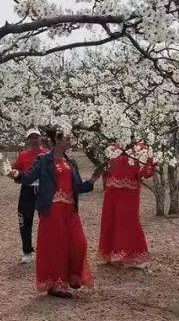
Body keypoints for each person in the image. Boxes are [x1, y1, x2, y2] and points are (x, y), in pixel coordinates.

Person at [18, 130, 101, 298]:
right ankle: (56, 285)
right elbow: (28, 178)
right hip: (52, 209)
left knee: (79, 243)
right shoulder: (43, 160)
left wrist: (92, 181)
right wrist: (16, 174)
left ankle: (72, 276)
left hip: (70, 210)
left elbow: (77, 187)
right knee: (57, 246)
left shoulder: (71, 162)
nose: (70, 141)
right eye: (67, 138)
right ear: (57, 139)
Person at [98, 143, 156, 268]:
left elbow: (147, 173)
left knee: (128, 221)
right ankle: (111, 253)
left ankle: (131, 255)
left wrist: (150, 161)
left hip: (129, 192)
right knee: (111, 219)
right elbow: (106, 169)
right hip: (112, 191)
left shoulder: (141, 147)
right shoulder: (113, 146)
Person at [10, 128, 48, 263]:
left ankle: (48, 249)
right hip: (27, 189)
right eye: (31, 138)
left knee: (47, 220)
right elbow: (17, 170)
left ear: (40, 138)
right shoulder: (23, 155)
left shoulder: (47, 154)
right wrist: (12, 172)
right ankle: (27, 251)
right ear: (28, 141)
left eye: (36, 137)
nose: (34, 140)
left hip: (44, 190)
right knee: (25, 220)